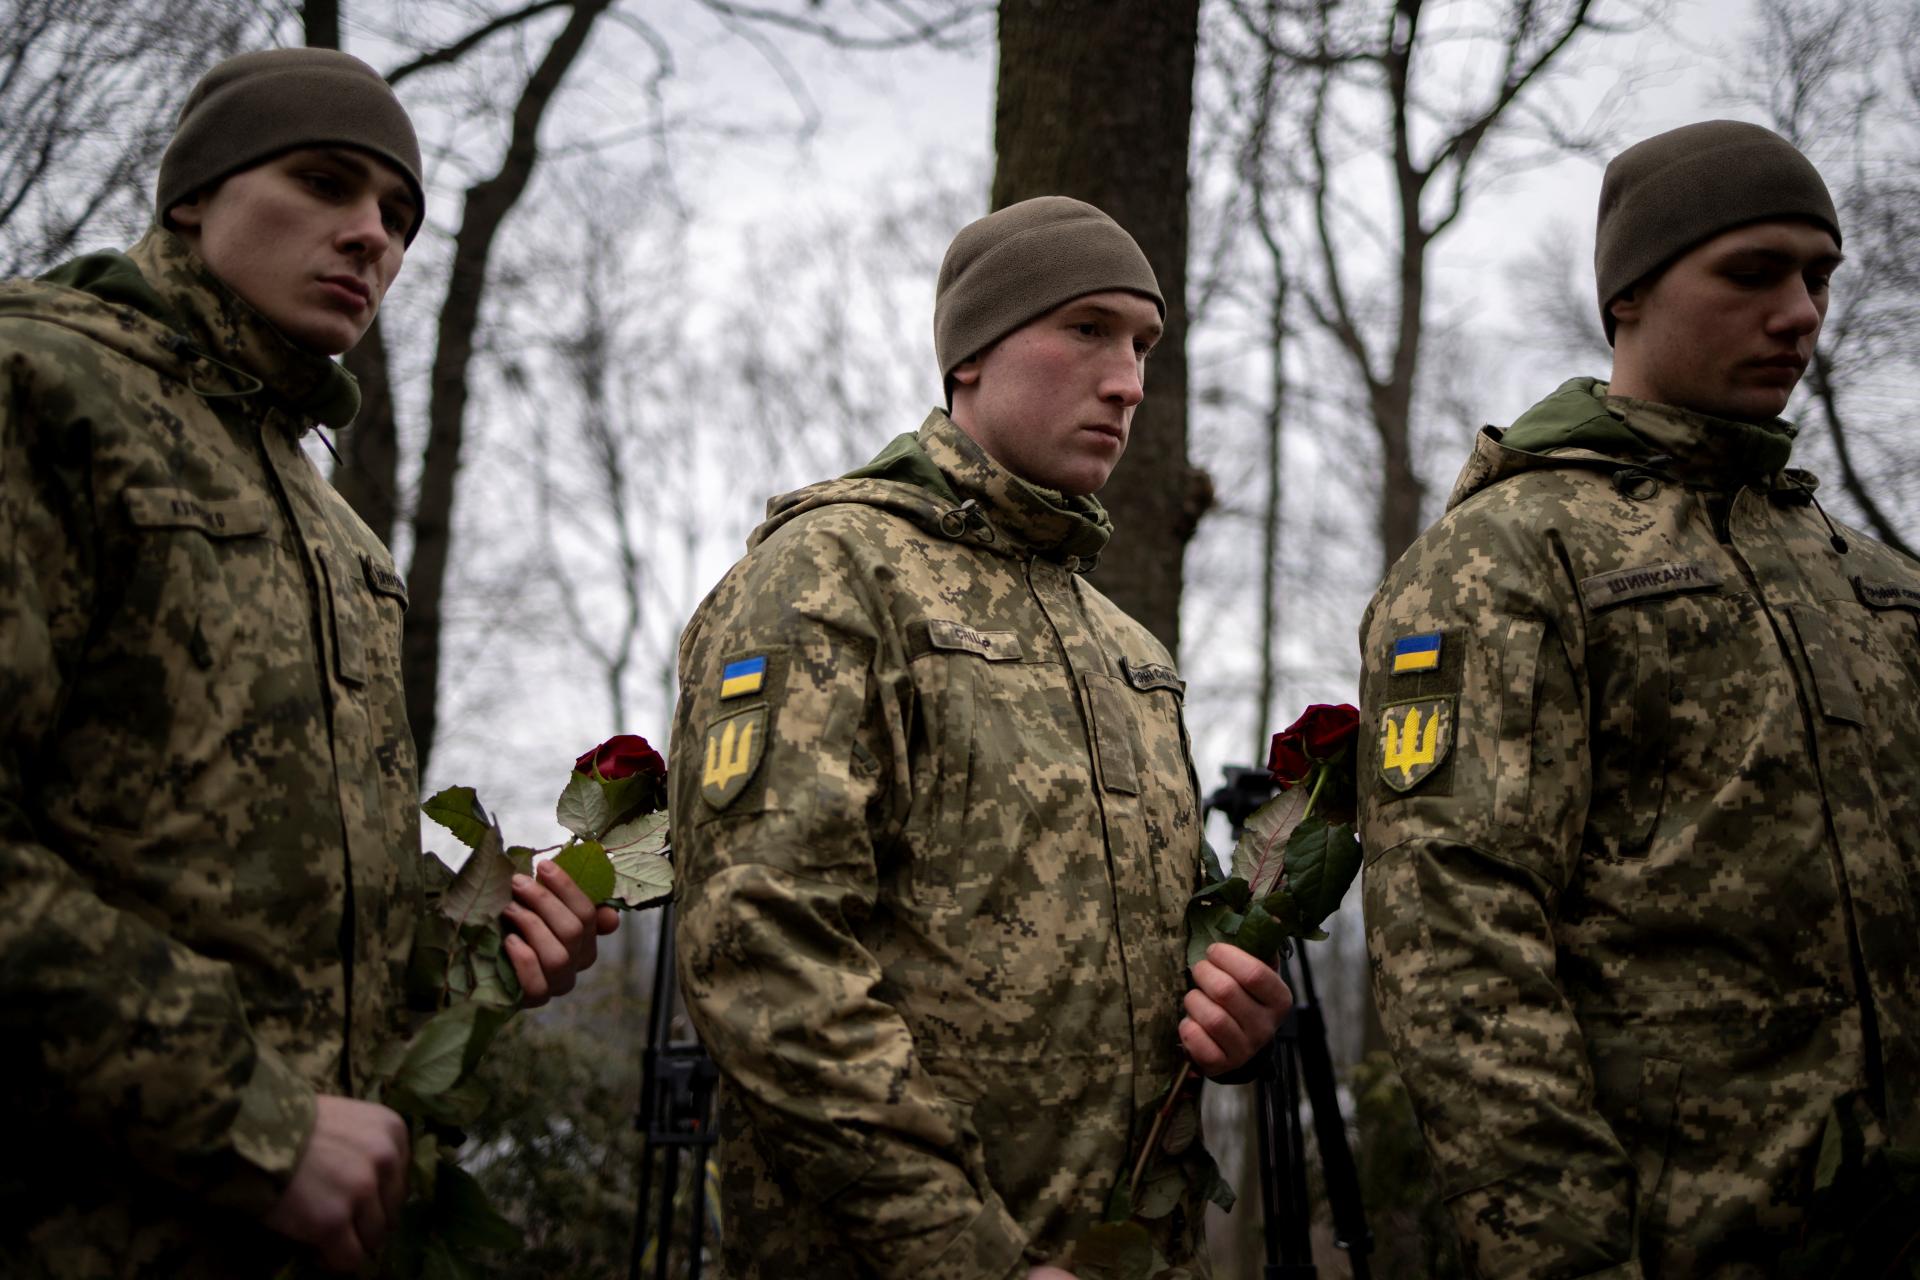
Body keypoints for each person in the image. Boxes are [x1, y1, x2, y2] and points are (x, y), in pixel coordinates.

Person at [0, 49, 616, 1278]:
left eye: (396, 216)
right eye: (324, 183)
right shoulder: (41, 386)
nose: (369, 238)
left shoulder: (334, 528)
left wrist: (483, 939)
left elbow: (316, 928)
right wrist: (260, 1119)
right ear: (194, 194)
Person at [669, 196, 1293, 1280]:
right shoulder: (834, 574)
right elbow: (762, 954)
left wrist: (1229, 1013)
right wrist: (971, 1256)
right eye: (1088, 328)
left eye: (1144, 344)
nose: (1129, 381)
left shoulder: (1125, 646)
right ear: (970, 355)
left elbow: (1157, 963)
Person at [1358, 119, 1920, 1278]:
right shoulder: (1504, 559)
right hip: (1673, 1243)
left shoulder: (1878, 581)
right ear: (1629, 295)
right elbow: (1457, 946)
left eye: (1819, 275)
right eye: (1753, 271)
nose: (1803, 311)